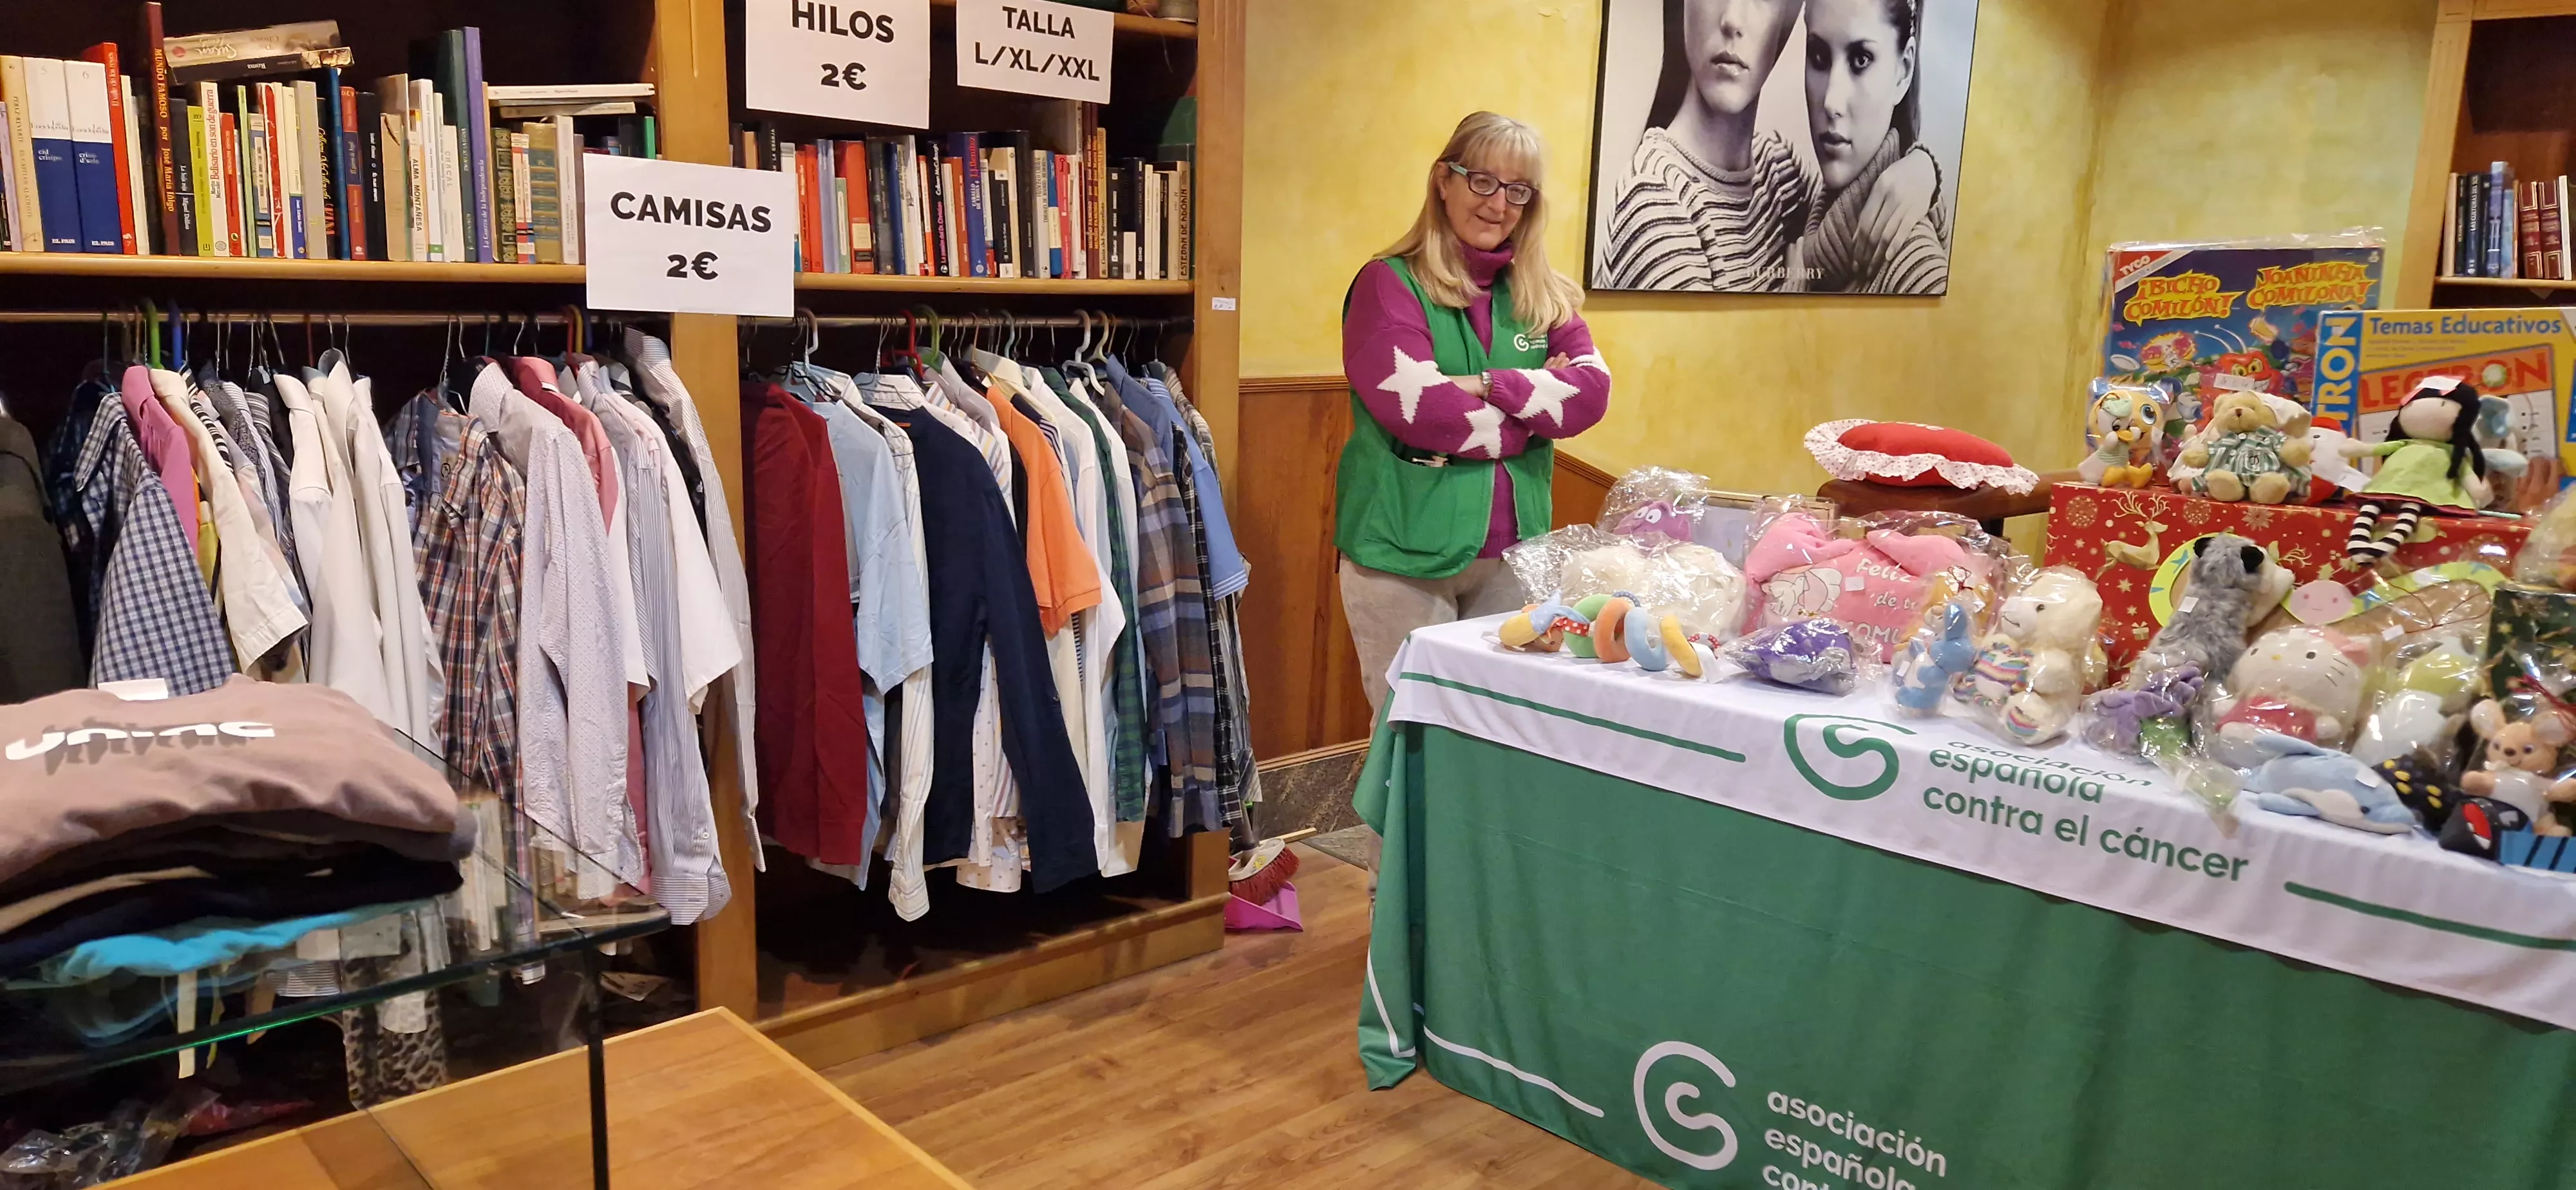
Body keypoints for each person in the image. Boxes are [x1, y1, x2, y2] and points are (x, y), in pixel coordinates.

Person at [1338, 112, 1612, 714]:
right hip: (1404, 555)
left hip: (1515, 554)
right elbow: (1425, 412)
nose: (1499, 204)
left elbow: (1591, 395)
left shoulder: (1545, 294)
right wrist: (1536, 415)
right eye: (1482, 181)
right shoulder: (1388, 284)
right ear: (1444, 180)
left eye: (1519, 190)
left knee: (1495, 732)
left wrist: (1488, 383)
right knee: (1411, 735)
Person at [1601, 0, 1933, 292]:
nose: (1732, 19)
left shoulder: (1781, 171)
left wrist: (1922, 171)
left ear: (1791, 17)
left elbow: (1851, 227)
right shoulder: (1657, 204)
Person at [1789, 0, 1950, 294]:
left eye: (1861, 59)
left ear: (1904, 70)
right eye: (1819, 56)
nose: (1831, 101)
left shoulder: (1917, 272)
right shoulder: (1797, 202)